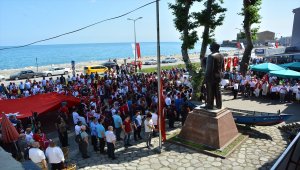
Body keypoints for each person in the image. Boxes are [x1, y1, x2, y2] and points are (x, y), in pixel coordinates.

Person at [202, 42, 224, 109]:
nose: (210, 48)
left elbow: (209, 70)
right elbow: (222, 67)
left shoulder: (211, 56)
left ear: (214, 47)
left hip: (211, 77)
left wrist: (205, 79)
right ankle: (219, 105)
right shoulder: (221, 55)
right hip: (218, 76)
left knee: (210, 91)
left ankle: (210, 105)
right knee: (218, 91)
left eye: (211, 47)